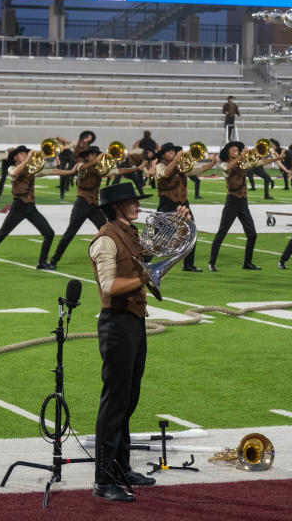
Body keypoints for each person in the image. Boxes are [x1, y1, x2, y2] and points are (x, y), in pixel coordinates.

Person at [89, 182, 170, 502]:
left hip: (133, 321)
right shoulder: (106, 240)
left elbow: (161, 254)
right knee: (114, 404)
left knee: (128, 400)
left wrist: (183, 223)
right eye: (132, 201)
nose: (138, 204)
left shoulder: (130, 233)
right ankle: (103, 479)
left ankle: (121, 468)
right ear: (117, 206)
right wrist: (143, 278)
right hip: (117, 324)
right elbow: (109, 285)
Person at [0, 145, 74, 271]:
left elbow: (51, 171)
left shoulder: (31, 169)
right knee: (1, 235)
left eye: (24, 153)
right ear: (15, 157)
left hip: (31, 207)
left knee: (49, 233)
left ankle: (42, 263)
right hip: (18, 207)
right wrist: (28, 158)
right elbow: (15, 173)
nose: (23, 155)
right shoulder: (12, 168)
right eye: (21, 154)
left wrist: (70, 172)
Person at [49, 146, 141, 268]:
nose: (95, 156)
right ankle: (54, 261)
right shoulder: (82, 165)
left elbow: (117, 171)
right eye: (92, 154)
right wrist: (97, 159)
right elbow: (81, 169)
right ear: (87, 156)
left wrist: (137, 168)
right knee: (70, 233)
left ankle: (121, 257)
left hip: (93, 205)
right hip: (81, 204)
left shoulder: (99, 168)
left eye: (95, 154)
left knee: (109, 230)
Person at [208, 141, 281, 272]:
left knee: (252, 234)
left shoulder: (243, 163)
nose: (236, 150)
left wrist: (277, 158)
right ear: (227, 152)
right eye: (233, 149)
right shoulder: (225, 164)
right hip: (232, 202)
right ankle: (211, 263)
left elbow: (260, 163)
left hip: (243, 202)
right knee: (221, 233)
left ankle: (247, 262)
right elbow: (228, 167)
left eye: (237, 149)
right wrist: (242, 155)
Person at [154, 142, 216, 272]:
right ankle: (144, 261)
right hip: (167, 203)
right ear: (163, 155)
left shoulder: (182, 166)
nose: (172, 153)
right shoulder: (160, 165)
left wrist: (211, 164)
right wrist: (176, 159)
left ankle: (188, 264)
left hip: (183, 203)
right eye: (169, 152)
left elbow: (196, 170)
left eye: (173, 151)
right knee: (158, 238)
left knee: (191, 231)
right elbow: (165, 173)